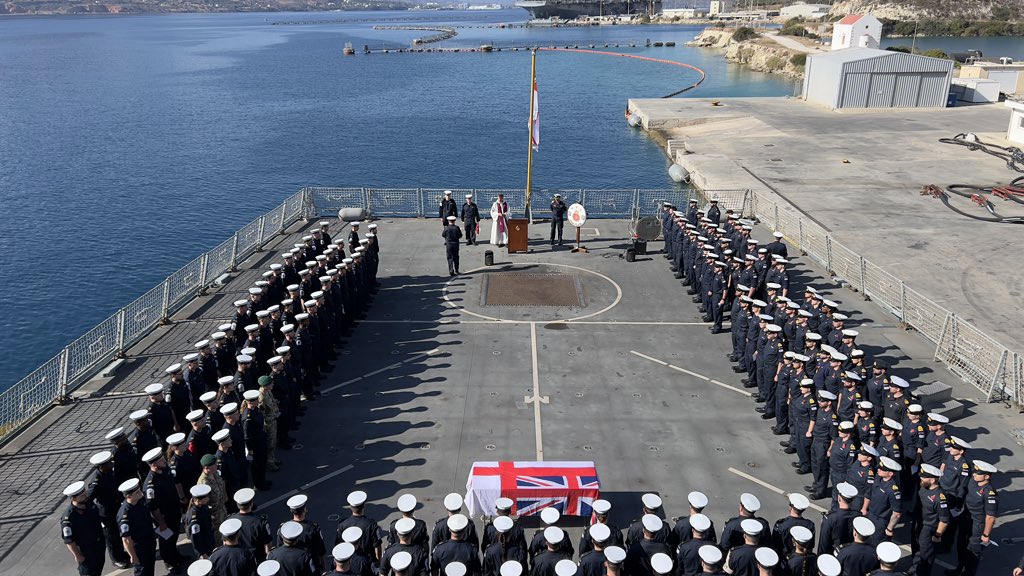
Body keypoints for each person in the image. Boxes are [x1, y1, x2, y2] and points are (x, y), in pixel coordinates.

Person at [61, 481, 107, 576]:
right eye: (82, 496)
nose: (85, 496)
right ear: (73, 498)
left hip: (99, 545)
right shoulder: (69, 518)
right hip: (86, 551)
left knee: (98, 569)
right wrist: (78, 556)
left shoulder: (88, 503)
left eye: (85, 493)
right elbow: (69, 541)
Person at [116, 478, 157, 576]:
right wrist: (133, 556)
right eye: (137, 492)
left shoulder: (140, 501)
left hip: (149, 540)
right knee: (142, 571)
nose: (141, 493)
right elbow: (126, 540)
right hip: (139, 547)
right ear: (129, 496)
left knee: (150, 566)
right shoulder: (124, 515)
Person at [186, 484, 216, 559]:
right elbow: (195, 539)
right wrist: (202, 553)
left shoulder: (203, 506)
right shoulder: (194, 518)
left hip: (209, 541)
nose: (208, 498)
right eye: (206, 497)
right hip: (204, 548)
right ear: (198, 500)